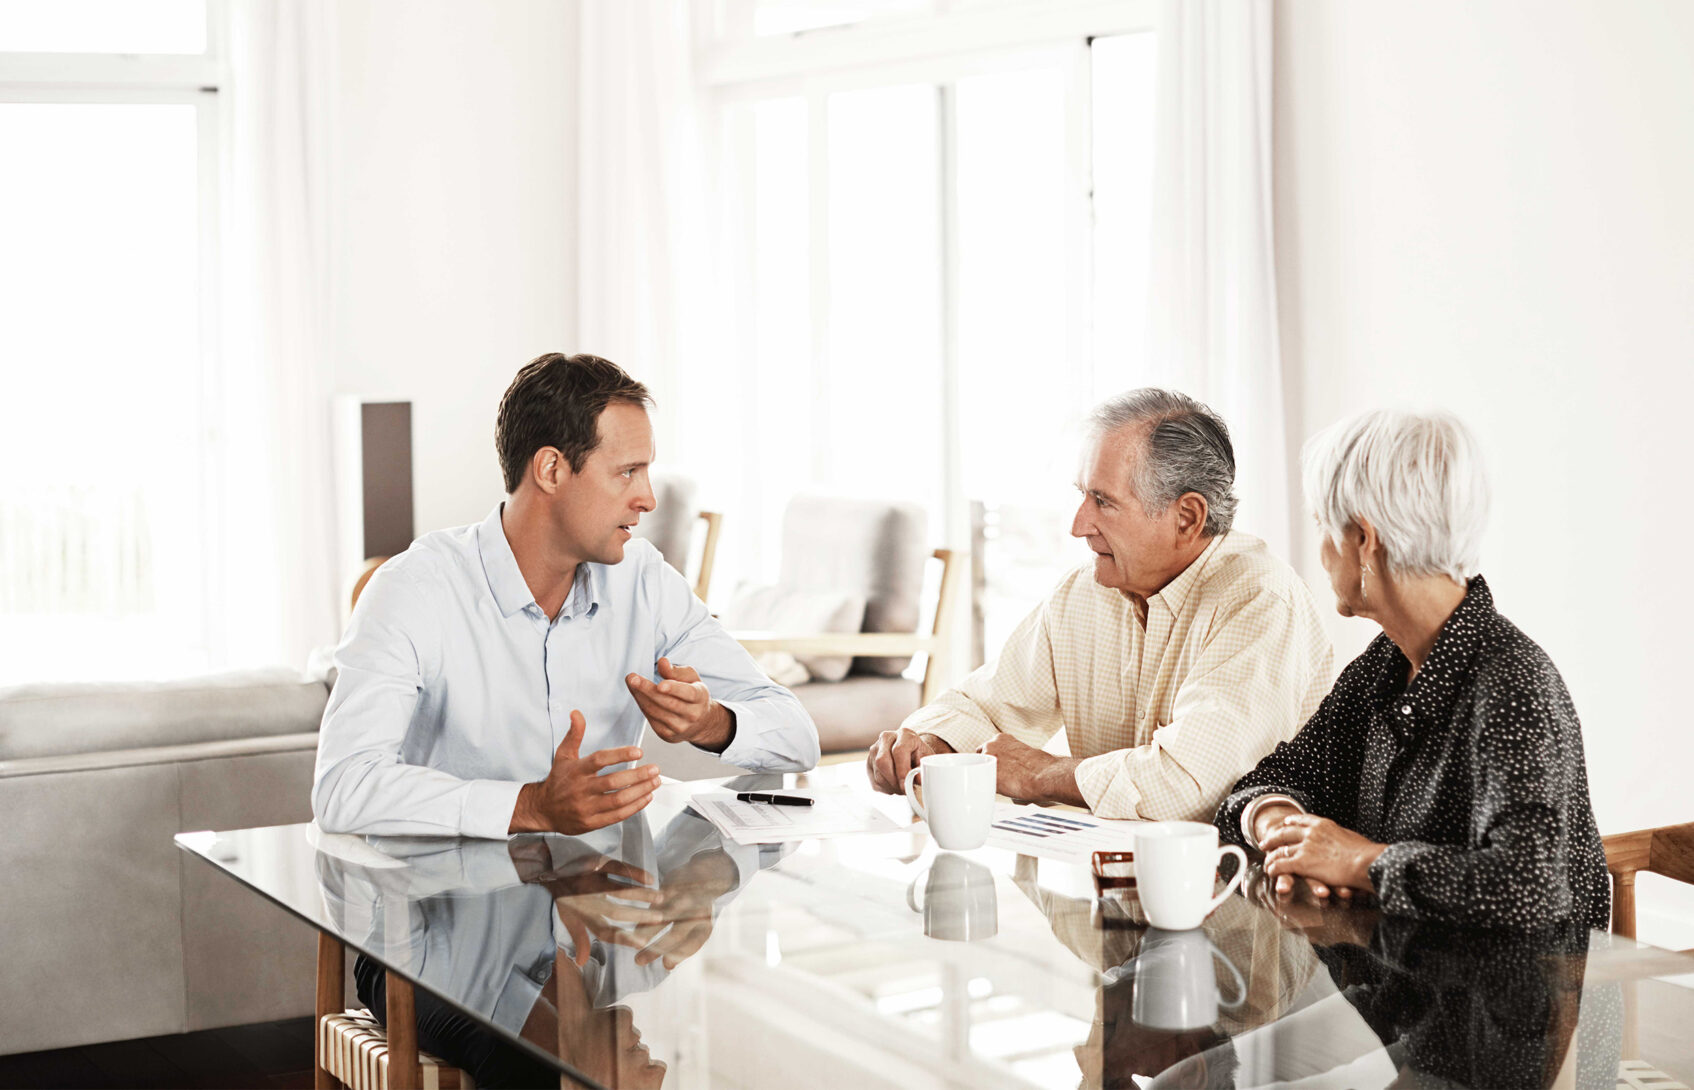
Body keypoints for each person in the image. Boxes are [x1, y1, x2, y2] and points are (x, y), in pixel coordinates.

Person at [313, 352, 819, 838]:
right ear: (551, 469)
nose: (648, 498)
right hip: (457, 906)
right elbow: (343, 787)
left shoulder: (645, 581)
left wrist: (711, 722)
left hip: (607, 907)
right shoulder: (413, 590)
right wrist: (530, 806)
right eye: (627, 472)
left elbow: (799, 739)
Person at [1215, 409, 1609, 930]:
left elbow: (1528, 889)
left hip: (1517, 1001)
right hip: (1397, 987)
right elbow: (1272, 779)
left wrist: (1358, 861)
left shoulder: (1514, 683)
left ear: (1363, 540)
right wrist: (1288, 834)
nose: (1321, 553)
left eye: (1322, 528)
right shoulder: (1383, 666)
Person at [867, 388, 1335, 820]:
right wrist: (931, 744)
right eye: (1081, 495)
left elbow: (1190, 784)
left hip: (1243, 892)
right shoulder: (1083, 593)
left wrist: (1040, 774)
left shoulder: (1261, 602)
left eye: (1103, 501)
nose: (1078, 525)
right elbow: (988, 706)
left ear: (1187, 517)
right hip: (1110, 883)